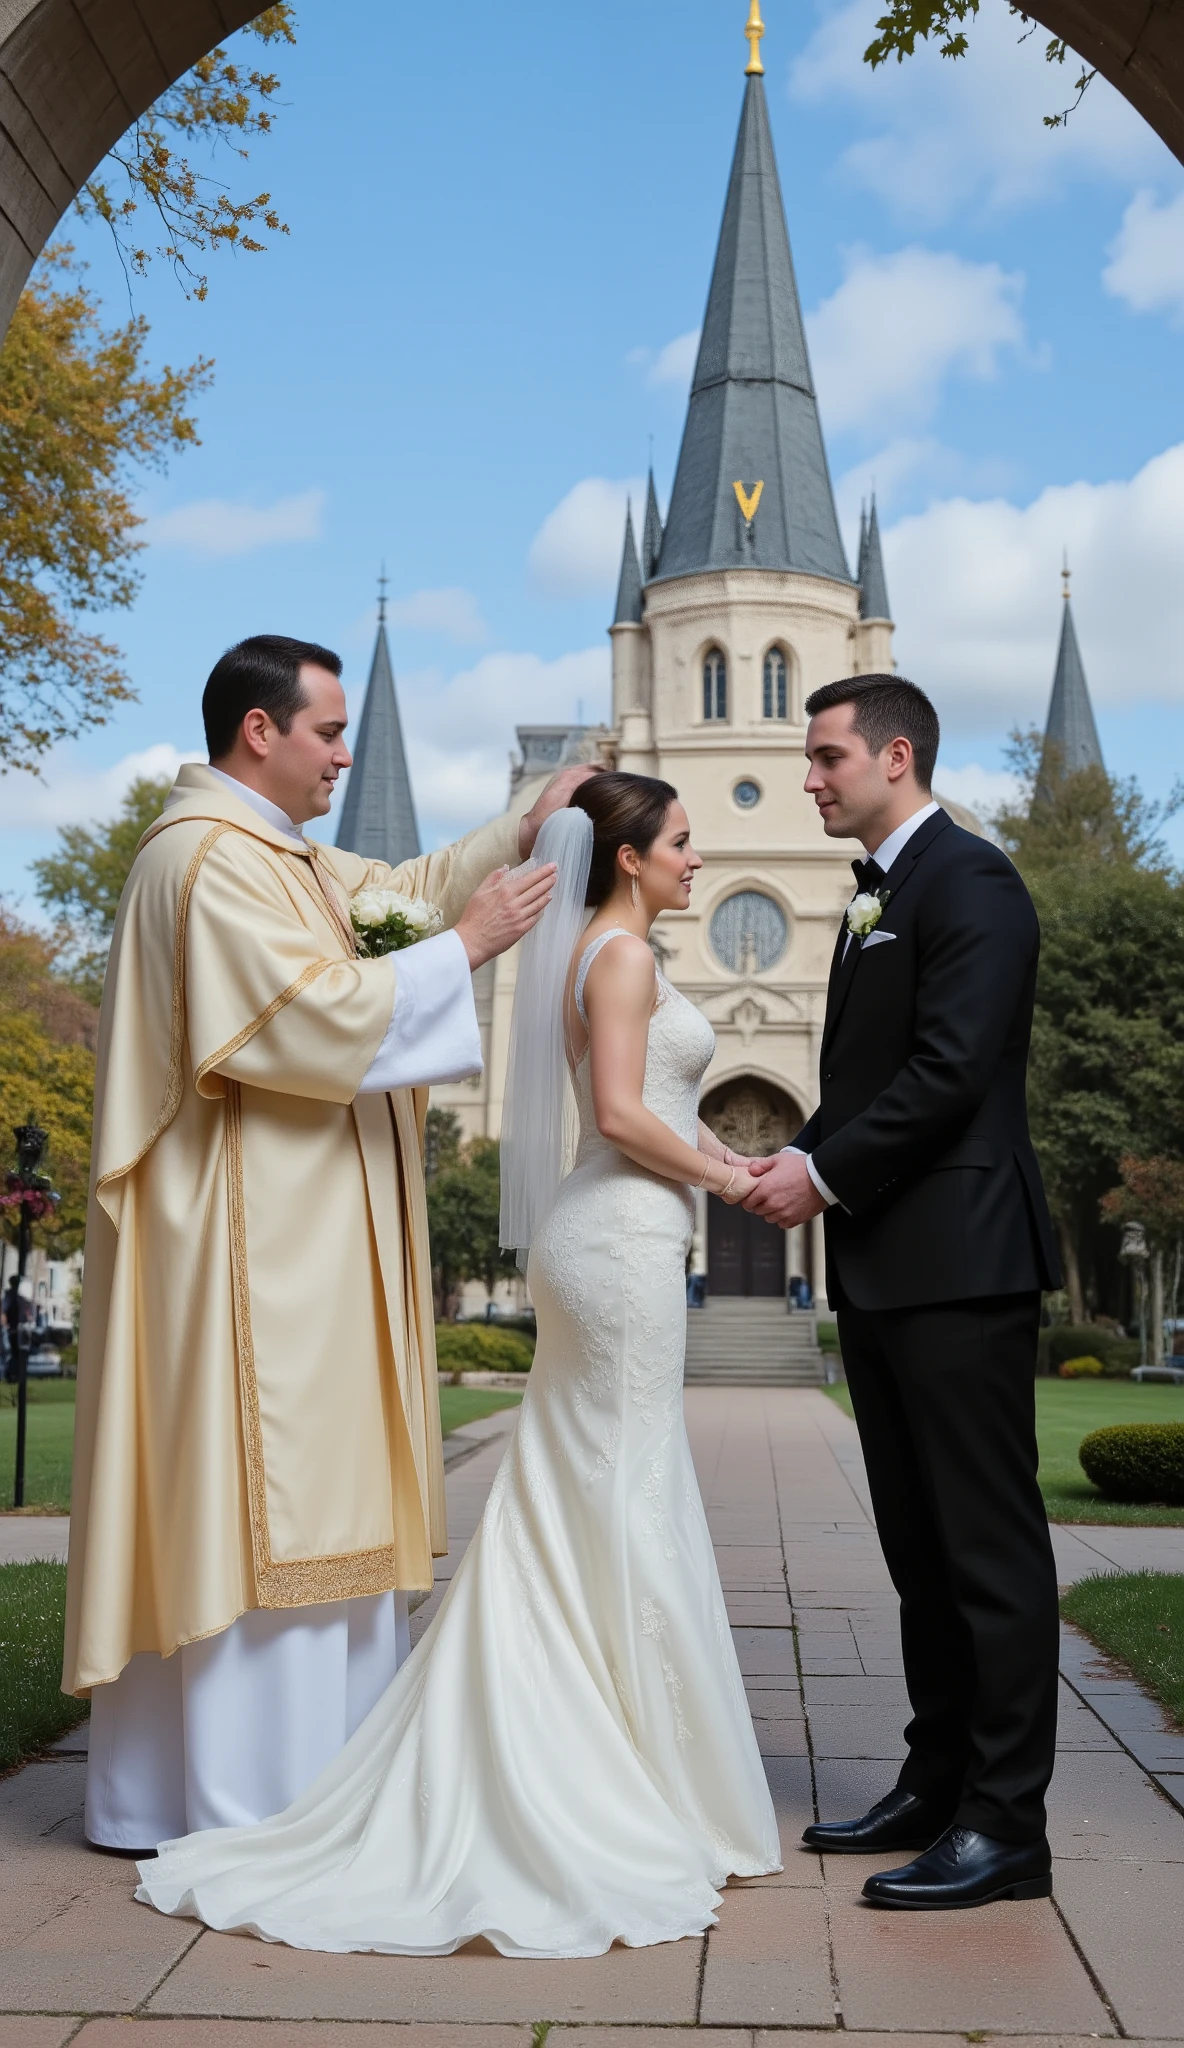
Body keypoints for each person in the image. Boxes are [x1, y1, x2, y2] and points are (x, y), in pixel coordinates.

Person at [135, 771, 780, 1955]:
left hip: (612, 1230)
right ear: (628, 856)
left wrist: (724, 1161)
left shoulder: (596, 949)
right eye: (682, 841)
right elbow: (629, 1116)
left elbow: (638, 1108)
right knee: (624, 1484)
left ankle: (587, 1720)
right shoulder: (623, 959)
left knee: (581, 1481)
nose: (698, 857)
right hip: (626, 1233)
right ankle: (626, 1758)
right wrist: (739, 1176)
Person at [65, 632, 588, 1854]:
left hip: (293, 1235)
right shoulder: (206, 860)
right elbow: (295, 1017)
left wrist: (524, 822)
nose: (345, 753)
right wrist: (467, 947)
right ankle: (261, 1804)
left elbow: (399, 885)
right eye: (327, 731)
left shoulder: (281, 856)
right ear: (260, 731)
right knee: (268, 1493)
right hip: (247, 1252)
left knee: (310, 1496)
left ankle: (240, 1787)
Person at [745, 674, 1061, 1911]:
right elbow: (864, 1073)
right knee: (918, 1552)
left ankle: (1004, 1822)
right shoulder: (870, 895)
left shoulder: (969, 880)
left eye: (824, 756)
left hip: (962, 1262)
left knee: (985, 1548)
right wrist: (791, 1157)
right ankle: (935, 1783)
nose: (810, 776)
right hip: (885, 1266)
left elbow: (947, 1069)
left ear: (893, 753)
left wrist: (816, 1171)